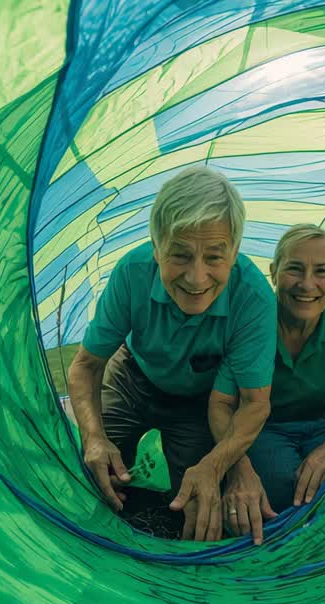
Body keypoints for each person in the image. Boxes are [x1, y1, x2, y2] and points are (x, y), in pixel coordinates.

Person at [66, 166, 275, 542]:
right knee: (89, 477)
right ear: (156, 247)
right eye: (180, 255)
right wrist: (94, 438)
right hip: (132, 377)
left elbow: (254, 403)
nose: (196, 277)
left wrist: (216, 466)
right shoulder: (131, 272)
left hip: (199, 403)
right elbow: (86, 366)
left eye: (214, 258)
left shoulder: (254, 298)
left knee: (197, 507)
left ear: (234, 253)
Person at [212, 224, 325, 520]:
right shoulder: (253, 322)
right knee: (281, 493)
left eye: (321, 271)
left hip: (324, 424)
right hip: (265, 428)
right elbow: (222, 404)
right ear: (274, 273)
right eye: (294, 269)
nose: (307, 284)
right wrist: (236, 464)